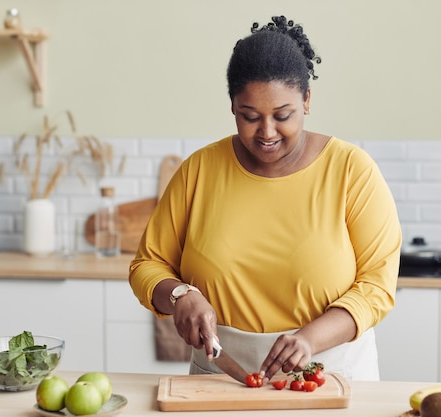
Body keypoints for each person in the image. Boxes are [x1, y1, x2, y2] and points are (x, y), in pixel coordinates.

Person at [129, 15, 401, 382]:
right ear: (232, 106)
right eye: (250, 116)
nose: (267, 132)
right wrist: (179, 294)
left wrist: (309, 339)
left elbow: (377, 286)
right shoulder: (199, 170)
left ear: (306, 100)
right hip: (219, 376)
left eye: (283, 115)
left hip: (330, 375)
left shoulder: (351, 170)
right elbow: (147, 265)